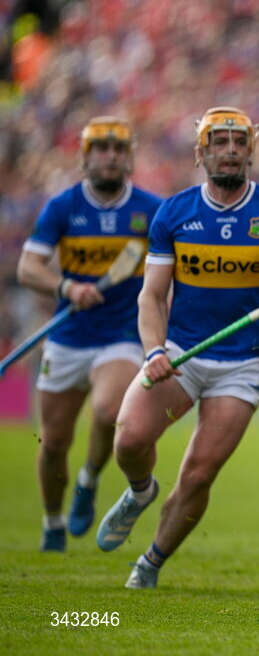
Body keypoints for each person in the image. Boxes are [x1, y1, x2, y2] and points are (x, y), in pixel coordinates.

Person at [94, 107, 259, 588]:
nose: (229, 150)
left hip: (243, 365)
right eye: (219, 142)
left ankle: (149, 563)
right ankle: (139, 490)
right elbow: (151, 296)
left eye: (238, 142)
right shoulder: (174, 213)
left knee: (197, 475)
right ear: (201, 152)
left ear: (250, 150)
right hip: (180, 354)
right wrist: (154, 351)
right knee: (129, 439)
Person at [16, 117, 161, 552]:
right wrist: (67, 287)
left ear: (128, 157)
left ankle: (89, 478)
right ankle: (53, 522)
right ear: (85, 157)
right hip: (68, 336)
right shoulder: (62, 207)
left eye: (118, 149)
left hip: (120, 335)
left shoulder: (151, 210)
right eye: (101, 148)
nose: (110, 157)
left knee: (106, 411)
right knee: (55, 441)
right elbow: (28, 268)